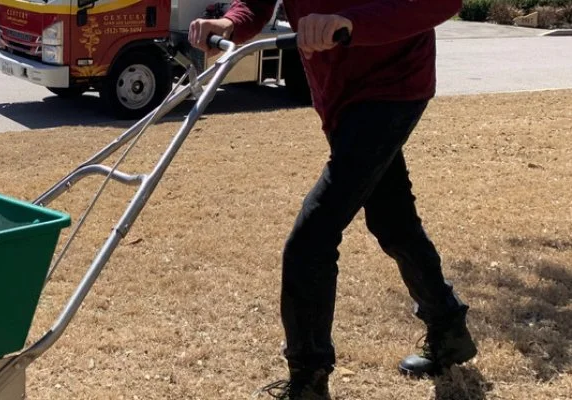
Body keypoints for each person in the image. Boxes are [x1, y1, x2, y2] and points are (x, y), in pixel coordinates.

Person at [188, 0, 478, 398]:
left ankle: (309, 380)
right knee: (392, 221)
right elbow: (255, 4)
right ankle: (449, 331)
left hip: (392, 86)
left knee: (311, 241)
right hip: (340, 94)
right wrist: (228, 22)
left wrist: (351, 22)